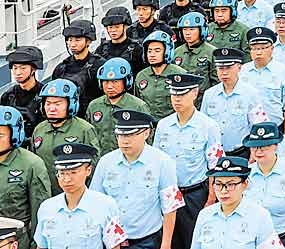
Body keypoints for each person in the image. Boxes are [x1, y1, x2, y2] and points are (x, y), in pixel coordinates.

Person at [89, 110, 183, 249]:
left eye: (131, 135)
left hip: (147, 240)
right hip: (111, 242)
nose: (125, 140)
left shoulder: (162, 162)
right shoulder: (106, 162)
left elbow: (170, 206)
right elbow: (95, 203)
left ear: (146, 133)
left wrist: (166, 243)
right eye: (120, 135)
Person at [154, 73, 224, 249]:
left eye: (182, 94)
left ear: (194, 93)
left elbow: (215, 166)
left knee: (195, 241)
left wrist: (211, 198)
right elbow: (156, 163)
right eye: (174, 94)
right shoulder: (163, 125)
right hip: (168, 195)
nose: (177, 99)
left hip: (195, 194)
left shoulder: (208, 126)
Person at [32, 143, 127, 249]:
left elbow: (114, 246)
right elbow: (41, 246)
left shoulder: (106, 205)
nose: (67, 179)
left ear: (88, 170)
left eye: (73, 172)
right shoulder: (47, 208)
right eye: (62, 173)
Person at [191, 156, 284, 249]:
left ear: (245, 184)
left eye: (230, 184)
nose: (223, 191)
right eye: (218, 184)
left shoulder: (259, 216)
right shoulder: (205, 215)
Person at [202, 48, 269, 160]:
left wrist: (254, 153)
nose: (224, 72)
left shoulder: (251, 93)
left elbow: (258, 126)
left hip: (242, 152)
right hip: (214, 155)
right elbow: (204, 126)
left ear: (239, 68)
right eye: (220, 68)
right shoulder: (209, 94)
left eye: (228, 68)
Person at [30, 79, 101, 183]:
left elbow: (94, 166)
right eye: (48, 104)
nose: (51, 109)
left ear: (71, 104)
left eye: (57, 104)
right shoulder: (39, 130)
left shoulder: (84, 129)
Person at [0, 107, 50, 249]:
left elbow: (40, 211)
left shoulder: (31, 164)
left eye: (0, 135)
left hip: (16, 241)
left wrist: (37, 244)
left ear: (15, 135)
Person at [83, 58, 150, 143]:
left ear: (126, 81)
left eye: (115, 81)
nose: (109, 86)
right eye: (106, 81)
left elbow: (147, 138)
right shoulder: (94, 106)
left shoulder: (138, 106)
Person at [51, 21, 106, 115]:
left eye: (77, 40)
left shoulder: (100, 66)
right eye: (70, 40)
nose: (72, 44)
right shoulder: (61, 68)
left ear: (88, 41)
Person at [135, 32, 188, 119]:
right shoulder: (141, 76)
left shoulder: (180, 74)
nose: (152, 55)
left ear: (167, 51)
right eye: (149, 51)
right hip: (148, 124)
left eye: (157, 51)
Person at [1, 47, 44, 136]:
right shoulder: (8, 96)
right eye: (15, 68)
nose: (18, 72)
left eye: (23, 68)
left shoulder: (45, 94)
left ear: (33, 69)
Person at [172, 13, 219, 93]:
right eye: (185, 29)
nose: (187, 33)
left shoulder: (212, 52)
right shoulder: (176, 52)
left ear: (202, 30)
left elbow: (217, 82)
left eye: (192, 29)